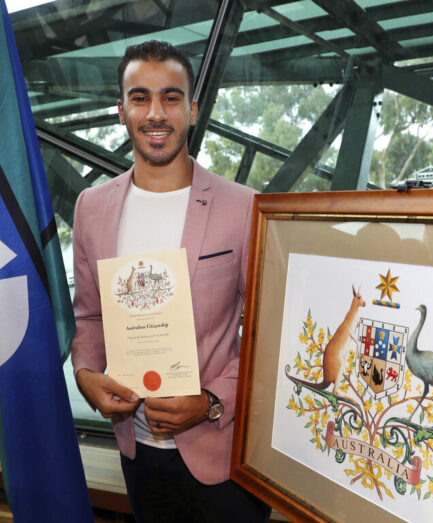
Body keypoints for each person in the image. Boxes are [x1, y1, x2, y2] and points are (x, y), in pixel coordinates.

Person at [70, 40, 269, 522]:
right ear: (121, 110)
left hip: (224, 458)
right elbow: (90, 316)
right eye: (140, 98)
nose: (155, 113)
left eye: (171, 97)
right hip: (135, 454)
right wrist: (86, 375)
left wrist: (212, 401)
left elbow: (268, 336)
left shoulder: (243, 206)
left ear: (193, 109)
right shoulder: (91, 208)